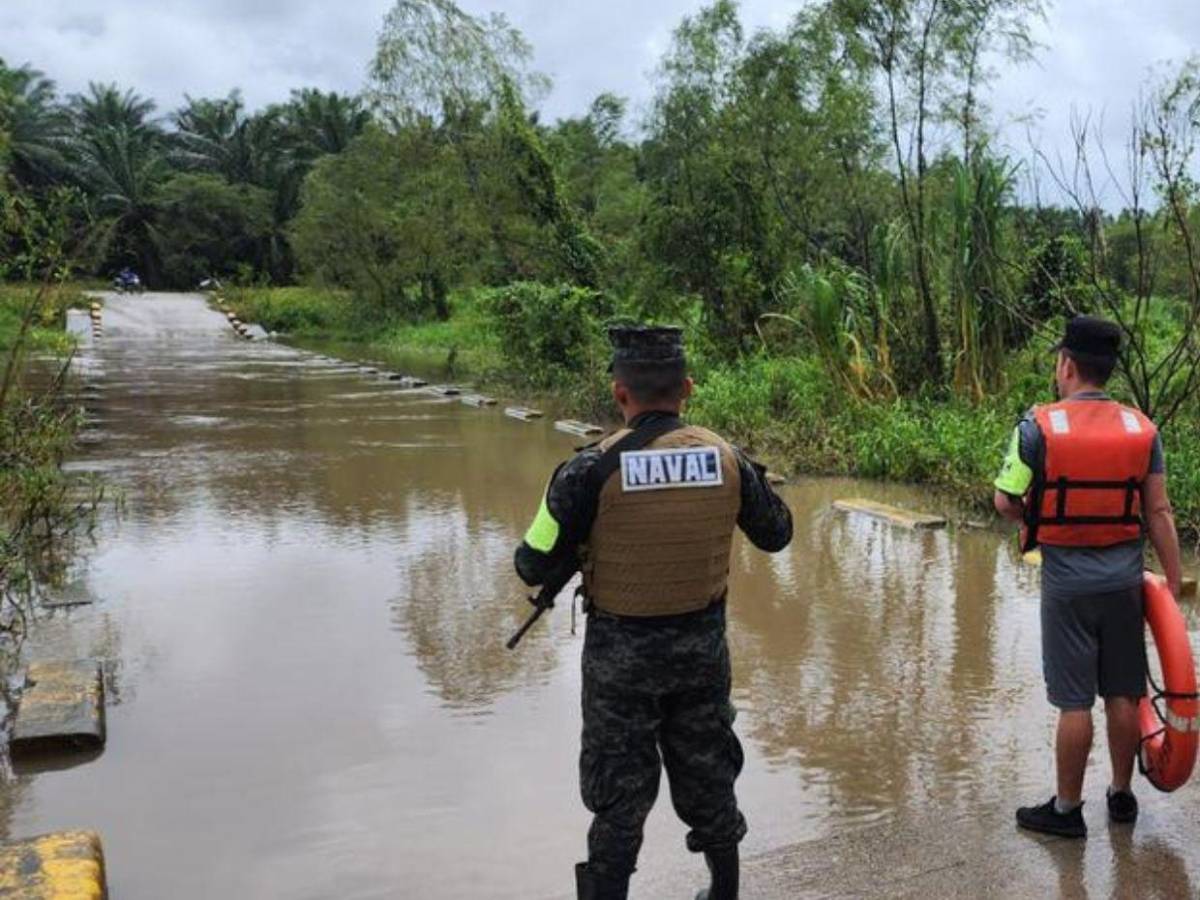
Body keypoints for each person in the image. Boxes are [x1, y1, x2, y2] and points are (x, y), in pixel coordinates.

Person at [514, 326, 793, 900]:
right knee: (709, 774)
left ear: (620, 394)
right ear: (687, 389)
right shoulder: (729, 459)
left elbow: (531, 562)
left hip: (621, 664)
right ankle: (722, 893)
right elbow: (778, 533)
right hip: (702, 654)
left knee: (618, 796)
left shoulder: (587, 472)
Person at [993, 315, 1182, 839]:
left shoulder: (1035, 426)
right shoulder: (1142, 429)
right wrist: (1174, 581)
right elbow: (1160, 512)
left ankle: (1067, 809)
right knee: (1123, 692)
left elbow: (1004, 500)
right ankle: (1121, 797)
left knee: (1074, 701)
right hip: (1124, 583)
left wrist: (1036, 518)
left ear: (1067, 365)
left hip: (1067, 587)